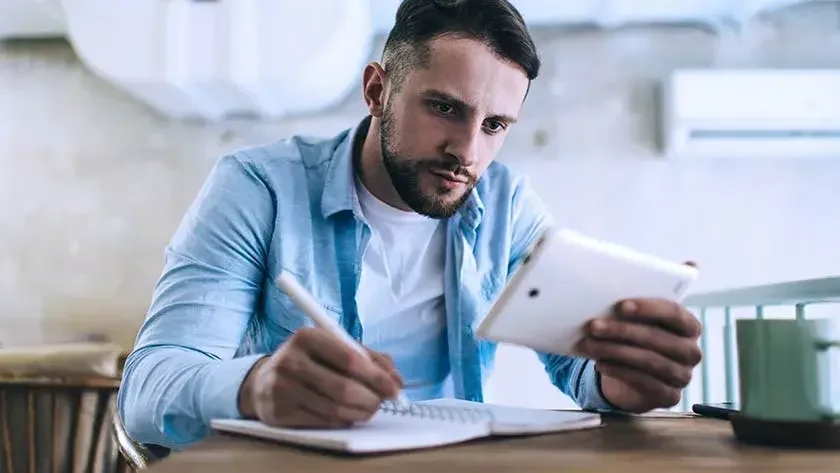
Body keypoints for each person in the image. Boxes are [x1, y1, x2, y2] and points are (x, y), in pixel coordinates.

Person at [118, 0, 703, 452]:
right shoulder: (259, 188)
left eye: (496, 124)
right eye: (445, 108)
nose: (467, 152)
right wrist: (257, 386)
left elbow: (578, 363)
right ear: (378, 90)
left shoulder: (506, 205)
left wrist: (620, 383)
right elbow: (148, 389)